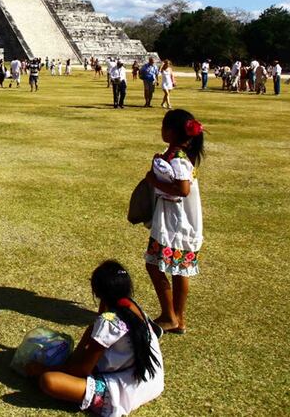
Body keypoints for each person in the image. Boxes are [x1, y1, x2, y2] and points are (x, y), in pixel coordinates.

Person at [31, 260, 164, 414]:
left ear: (97, 293)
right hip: (152, 379)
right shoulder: (132, 307)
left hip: (126, 389)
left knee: (49, 381)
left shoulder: (108, 322)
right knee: (87, 339)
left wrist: (42, 369)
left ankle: (99, 397)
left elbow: (82, 370)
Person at [144, 109, 204, 335]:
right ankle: (178, 318)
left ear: (172, 132)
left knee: (154, 264)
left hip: (175, 223)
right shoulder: (178, 155)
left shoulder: (178, 159)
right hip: (180, 220)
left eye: (164, 126)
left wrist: (153, 181)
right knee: (180, 270)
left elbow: (183, 190)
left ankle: (170, 315)